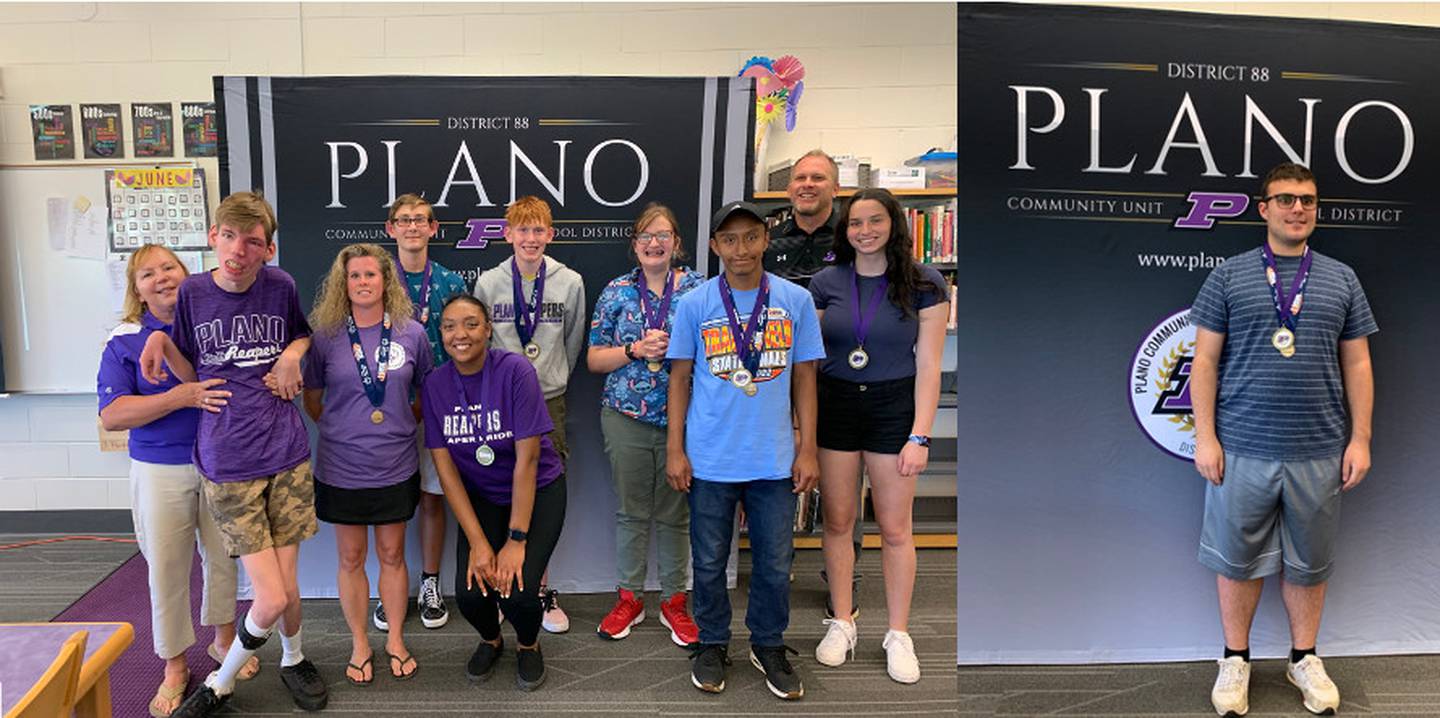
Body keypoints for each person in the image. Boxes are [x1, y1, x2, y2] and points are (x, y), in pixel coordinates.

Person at [1191, 163, 1376, 717]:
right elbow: (1203, 360)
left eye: (1310, 201)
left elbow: (1360, 363)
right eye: (1287, 199)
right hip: (1242, 447)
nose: (1299, 209)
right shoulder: (1227, 276)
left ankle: (1303, 658)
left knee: (1310, 562)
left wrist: (1360, 438)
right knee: (1236, 560)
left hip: (1319, 449)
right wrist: (1206, 437)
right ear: (1262, 207)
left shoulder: (1342, 278)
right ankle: (1235, 660)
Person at [141, 192, 328, 717]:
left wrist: (293, 352)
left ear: (267, 249)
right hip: (229, 463)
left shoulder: (281, 285)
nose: (238, 251)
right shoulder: (195, 293)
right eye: (228, 236)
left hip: (287, 453)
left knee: (288, 589)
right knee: (269, 598)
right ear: (212, 237)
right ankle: (219, 687)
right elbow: (189, 373)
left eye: (251, 241)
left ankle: (294, 658)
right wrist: (159, 342)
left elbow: (304, 336)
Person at [666, 201, 824, 700]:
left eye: (751, 237)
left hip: (774, 457)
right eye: (729, 240)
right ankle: (712, 642)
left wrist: (808, 448)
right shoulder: (695, 303)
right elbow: (679, 378)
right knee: (709, 561)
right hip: (711, 457)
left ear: (765, 240)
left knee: (775, 562)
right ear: (715, 246)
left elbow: (804, 377)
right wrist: (676, 449)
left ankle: (768, 643)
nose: (741, 249)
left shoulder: (795, 300)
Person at [96, 245, 258, 717]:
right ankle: (173, 665)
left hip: (218, 463)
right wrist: (180, 397)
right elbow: (112, 416)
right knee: (167, 569)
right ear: (137, 289)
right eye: (148, 274)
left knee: (225, 560)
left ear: (187, 274)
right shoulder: (124, 339)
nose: (161, 278)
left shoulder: (206, 325)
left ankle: (224, 641)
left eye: (169, 267)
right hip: (159, 468)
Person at [808, 188, 949, 684]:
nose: (864, 231)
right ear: (844, 231)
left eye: (874, 221)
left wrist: (921, 435)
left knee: (895, 528)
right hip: (837, 404)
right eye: (854, 223)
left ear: (894, 224)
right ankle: (842, 621)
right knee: (839, 521)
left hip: (895, 406)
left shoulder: (924, 282)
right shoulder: (826, 281)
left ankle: (898, 633)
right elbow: (810, 357)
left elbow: (930, 365)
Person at [298, 244, 431, 685]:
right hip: (341, 466)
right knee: (351, 557)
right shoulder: (327, 337)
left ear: (386, 281)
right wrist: (343, 428)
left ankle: (394, 638)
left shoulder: (412, 333)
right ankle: (359, 642)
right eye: (354, 276)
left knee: (392, 554)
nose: (363, 283)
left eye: (370, 275)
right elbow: (313, 399)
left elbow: (425, 396)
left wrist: (394, 425)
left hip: (395, 463)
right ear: (344, 283)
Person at [422, 295, 567, 691]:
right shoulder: (435, 384)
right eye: (449, 326)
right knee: (471, 594)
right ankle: (491, 639)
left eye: (471, 324)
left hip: (537, 490)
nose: (460, 334)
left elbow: (529, 460)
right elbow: (446, 470)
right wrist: (478, 543)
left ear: (488, 329)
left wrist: (516, 539)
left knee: (518, 593)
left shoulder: (515, 370)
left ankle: (527, 644)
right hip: (482, 497)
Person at [586, 203, 705, 645]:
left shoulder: (699, 289)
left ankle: (675, 602)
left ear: (677, 242)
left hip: (689, 418)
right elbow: (595, 359)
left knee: (677, 514)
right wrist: (635, 350)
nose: (654, 244)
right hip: (626, 416)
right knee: (632, 513)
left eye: (663, 235)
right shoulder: (617, 292)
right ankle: (630, 599)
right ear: (634, 245)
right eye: (645, 237)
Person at [472, 195, 585, 633]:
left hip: (549, 400)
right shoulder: (488, 283)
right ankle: (505, 584)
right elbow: (481, 346)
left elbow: (572, 343)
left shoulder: (570, 282)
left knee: (544, 493)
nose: (531, 239)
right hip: (500, 401)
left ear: (550, 235)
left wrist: (551, 378)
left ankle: (539, 587)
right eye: (523, 230)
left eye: (539, 230)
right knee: (502, 489)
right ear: (507, 234)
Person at [763, 149, 861, 618]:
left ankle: (843, 577)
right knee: (782, 474)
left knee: (841, 482)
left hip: (840, 378)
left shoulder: (851, 240)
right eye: (799, 177)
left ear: (834, 187)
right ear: (789, 188)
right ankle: (777, 566)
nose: (807, 184)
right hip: (777, 380)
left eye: (818, 177)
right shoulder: (769, 240)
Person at [375, 193, 469, 634]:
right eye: (403, 220)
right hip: (386, 407)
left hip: (437, 406)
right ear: (390, 229)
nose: (412, 227)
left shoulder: (450, 282)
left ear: (434, 229)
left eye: (421, 221)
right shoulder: (374, 281)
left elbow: (462, 342)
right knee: (390, 500)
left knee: (434, 497)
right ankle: (388, 585)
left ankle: (429, 582)